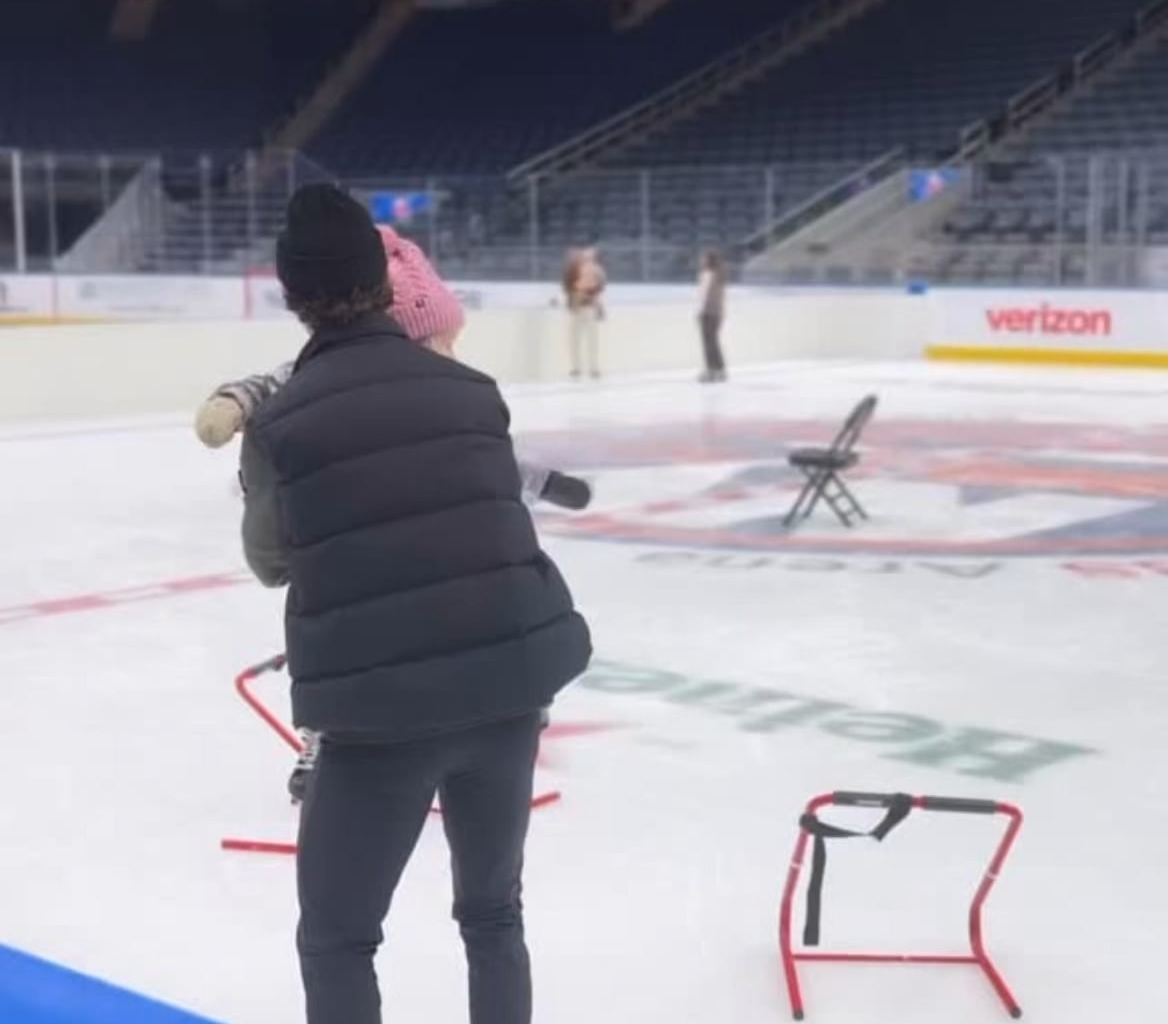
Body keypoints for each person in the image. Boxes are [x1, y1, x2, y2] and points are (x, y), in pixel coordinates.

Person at [236, 183, 592, 1024]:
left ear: (293, 298)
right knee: (494, 915)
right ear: (380, 283)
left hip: (377, 719)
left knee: (338, 940)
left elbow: (270, 561)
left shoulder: (283, 422)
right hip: (509, 696)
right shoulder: (471, 391)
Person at [195, 224, 591, 804]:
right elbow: (278, 382)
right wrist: (237, 402)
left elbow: (490, 459)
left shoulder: (443, 392)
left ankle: (503, 707)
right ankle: (323, 735)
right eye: (439, 342)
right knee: (326, 594)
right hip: (354, 543)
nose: (450, 357)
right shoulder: (334, 379)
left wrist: (547, 482)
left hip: (432, 550)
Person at [561, 246, 606, 378]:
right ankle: (576, 368)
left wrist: (595, 301)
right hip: (576, 307)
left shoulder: (596, 271)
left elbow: (599, 287)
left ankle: (593, 367)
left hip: (589, 307)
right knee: (575, 339)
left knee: (591, 338)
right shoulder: (571, 271)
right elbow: (567, 287)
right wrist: (575, 295)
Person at [697, 248, 728, 382]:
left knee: (709, 343)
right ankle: (719, 369)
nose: (701, 260)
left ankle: (712, 370)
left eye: (704, 258)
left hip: (710, 312)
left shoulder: (712, 275)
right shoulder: (715, 275)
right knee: (712, 342)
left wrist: (703, 311)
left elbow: (708, 297)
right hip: (713, 312)